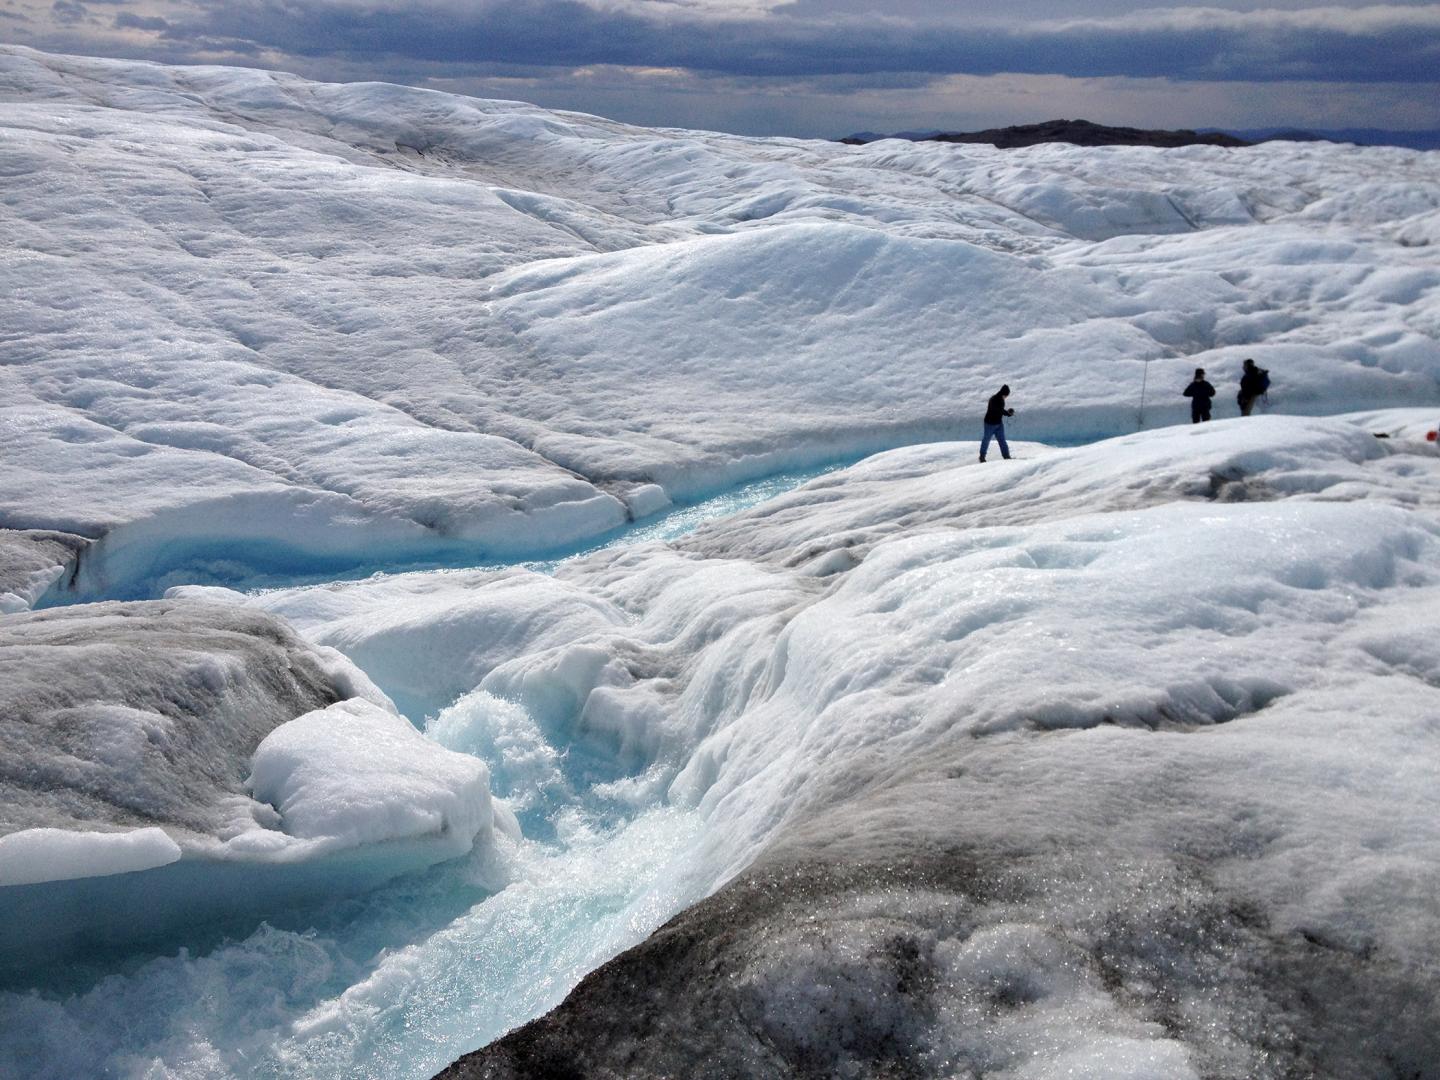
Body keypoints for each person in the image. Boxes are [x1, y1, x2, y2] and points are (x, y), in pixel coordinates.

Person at [980, 384, 1013, 462]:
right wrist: (1007, 413)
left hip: (998, 424)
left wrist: (1008, 413)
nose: (1007, 397)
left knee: (1002, 440)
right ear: (1004, 393)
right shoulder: (993, 399)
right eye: (1007, 395)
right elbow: (998, 410)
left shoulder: (1001, 399)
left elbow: (1000, 410)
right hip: (989, 424)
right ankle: (982, 457)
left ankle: (1006, 456)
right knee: (986, 440)